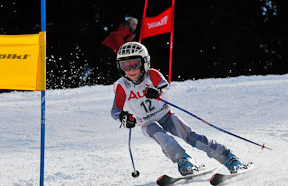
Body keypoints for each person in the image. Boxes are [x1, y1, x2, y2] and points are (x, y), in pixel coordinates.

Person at [110, 42, 248, 176]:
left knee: (191, 137)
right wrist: (123, 118)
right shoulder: (122, 85)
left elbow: (165, 87)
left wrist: (157, 91)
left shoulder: (152, 75)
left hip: (167, 116)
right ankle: (185, 161)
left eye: (134, 64)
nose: (130, 70)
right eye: (125, 66)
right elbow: (115, 110)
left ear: (144, 62)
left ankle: (229, 158)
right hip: (147, 123)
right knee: (164, 139)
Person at [95, 17, 138, 84]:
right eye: (132, 23)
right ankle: (103, 81)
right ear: (128, 24)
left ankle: (109, 81)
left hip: (113, 51)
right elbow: (119, 41)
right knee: (108, 66)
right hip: (108, 49)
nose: (133, 25)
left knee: (114, 66)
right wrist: (125, 52)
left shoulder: (130, 33)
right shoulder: (124, 30)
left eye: (135, 24)